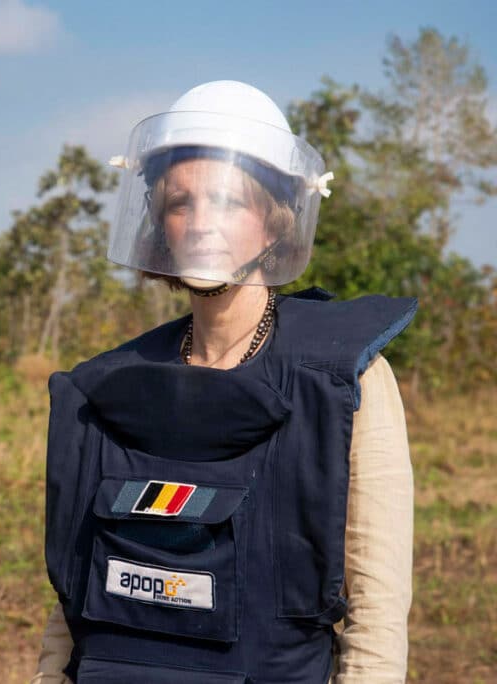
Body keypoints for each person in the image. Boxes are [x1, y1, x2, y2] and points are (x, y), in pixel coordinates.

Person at [32, 81, 414, 683]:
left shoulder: (344, 383)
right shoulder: (103, 388)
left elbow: (377, 616)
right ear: (161, 225)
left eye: (229, 202)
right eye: (182, 204)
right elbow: (72, 604)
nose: (203, 223)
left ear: (274, 224)